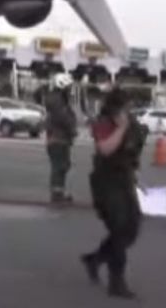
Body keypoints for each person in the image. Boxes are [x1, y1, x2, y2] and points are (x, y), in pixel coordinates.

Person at [81, 87, 146, 299]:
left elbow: (134, 152)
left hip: (125, 180)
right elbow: (106, 149)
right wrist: (121, 129)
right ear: (115, 107)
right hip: (106, 182)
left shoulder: (133, 124)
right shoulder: (103, 123)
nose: (129, 110)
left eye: (130, 106)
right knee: (119, 229)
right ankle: (116, 282)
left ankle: (96, 259)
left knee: (132, 228)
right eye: (125, 106)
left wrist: (135, 176)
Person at [40, 72, 77, 204]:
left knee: (63, 165)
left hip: (59, 138)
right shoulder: (58, 102)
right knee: (59, 166)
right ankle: (56, 194)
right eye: (68, 87)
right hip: (58, 139)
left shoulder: (58, 100)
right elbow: (63, 118)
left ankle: (59, 192)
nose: (70, 91)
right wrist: (72, 129)